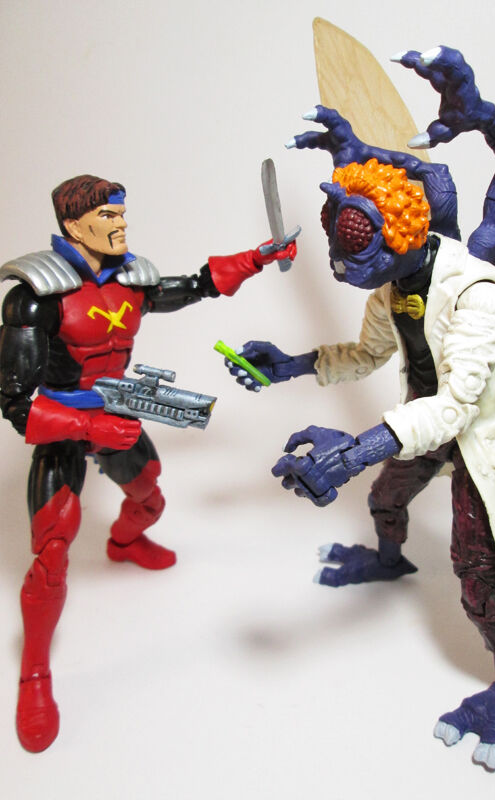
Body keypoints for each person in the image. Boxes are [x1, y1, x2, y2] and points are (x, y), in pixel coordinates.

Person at [225, 48, 495, 770]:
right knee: (385, 499)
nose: (341, 261)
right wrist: (291, 364)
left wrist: (352, 451)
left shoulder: (476, 285)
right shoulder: (392, 285)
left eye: (355, 239)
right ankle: (389, 560)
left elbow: (457, 406)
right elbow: (368, 355)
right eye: (338, 232)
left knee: (475, 576)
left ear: (400, 234)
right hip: (416, 424)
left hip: (469, 440)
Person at [0, 173, 297, 752]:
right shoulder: (36, 295)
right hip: (64, 427)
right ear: (74, 225)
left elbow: (193, 286)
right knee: (52, 553)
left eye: (121, 214)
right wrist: (88, 427)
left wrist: (257, 258)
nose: (121, 224)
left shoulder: (131, 278)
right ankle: (34, 674)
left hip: (116, 411)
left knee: (151, 497)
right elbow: (14, 404)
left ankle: (124, 543)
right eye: (108, 217)